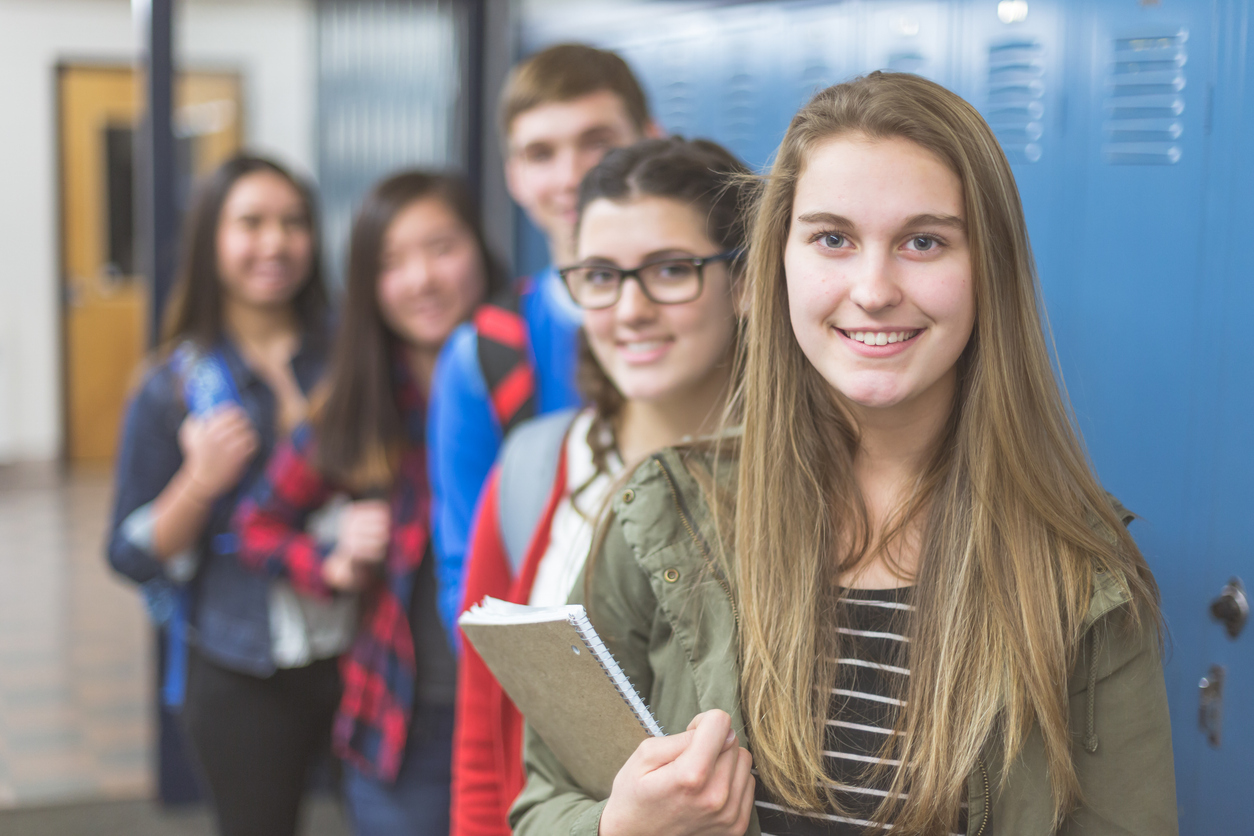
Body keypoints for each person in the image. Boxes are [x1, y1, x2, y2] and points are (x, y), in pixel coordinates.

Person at [511, 72, 1177, 836]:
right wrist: (619, 828)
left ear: (988, 269)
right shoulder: (664, 514)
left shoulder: (1079, 571)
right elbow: (543, 802)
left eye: (923, 241)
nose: (873, 289)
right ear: (776, 263)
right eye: (833, 239)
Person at [452, 137, 751, 836]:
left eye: (671, 270)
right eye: (600, 276)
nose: (629, 309)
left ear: (743, 282)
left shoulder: (810, 482)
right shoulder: (534, 468)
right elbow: (484, 743)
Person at [233, 171, 506, 835]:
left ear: (480, 249)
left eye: (441, 247)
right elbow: (256, 525)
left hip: (525, 708)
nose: (421, 280)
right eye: (391, 262)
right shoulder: (359, 403)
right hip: (406, 719)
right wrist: (330, 559)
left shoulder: (534, 376)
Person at [106, 154, 334, 836]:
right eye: (251, 223)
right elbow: (130, 553)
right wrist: (199, 481)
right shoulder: (174, 386)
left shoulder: (351, 358)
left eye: (293, 222)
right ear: (212, 239)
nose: (275, 242)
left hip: (362, 651)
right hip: (239, 666)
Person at [427, 43, 661, 640]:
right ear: (512, 175)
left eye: (597, 142)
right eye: (540, 153)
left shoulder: (727, 322)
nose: (571, 176)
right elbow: (470, 585)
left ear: (652, 141)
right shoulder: (484, 355)